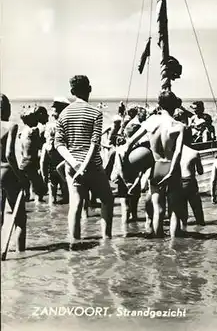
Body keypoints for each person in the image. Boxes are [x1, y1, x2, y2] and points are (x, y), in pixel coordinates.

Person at [55, 75, 114, 248]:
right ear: (89, 89)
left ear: (72, 92)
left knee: (76, 204)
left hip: (72, 166)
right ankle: (106, 241)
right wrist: (84, 166)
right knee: (107, 200)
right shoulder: (95, 112)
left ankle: (75, 243)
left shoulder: (64, 113)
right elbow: (94, 144)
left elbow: (58, 144)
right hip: (93, 166)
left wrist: (75, 164)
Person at [120, 90, 185, 238]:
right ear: (174, 106)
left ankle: (158, 247)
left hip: (157, 167)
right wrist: (171, 172)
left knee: (158, 210)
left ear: (159, 105)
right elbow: (178, 153)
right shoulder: (179, 125)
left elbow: (130, 141)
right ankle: (174, 249)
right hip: (172, 166)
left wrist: (125, 160)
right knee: (174, 211)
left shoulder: (151, 122)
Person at [1, 94, 27, 253]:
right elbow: (10, 154)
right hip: (5, 171)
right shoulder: (11, 125)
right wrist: (20, 176)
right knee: (20, 218)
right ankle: (19, 255)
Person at [179, 129, 205, 230]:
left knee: (182, 210)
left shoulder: (173, 152)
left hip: (178, 182)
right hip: (190, 182)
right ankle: (201, 231)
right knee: (197, 208)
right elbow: (200, 171)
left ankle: (183, 232)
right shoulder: (194, 152)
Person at [20, 106, 46, 203]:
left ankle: (26, 206)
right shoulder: (34, 130)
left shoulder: (23, 131)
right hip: (31, 162)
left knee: (26, 188)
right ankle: (39, 207)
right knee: (40, 188)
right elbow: (39, 145)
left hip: (23, 163)